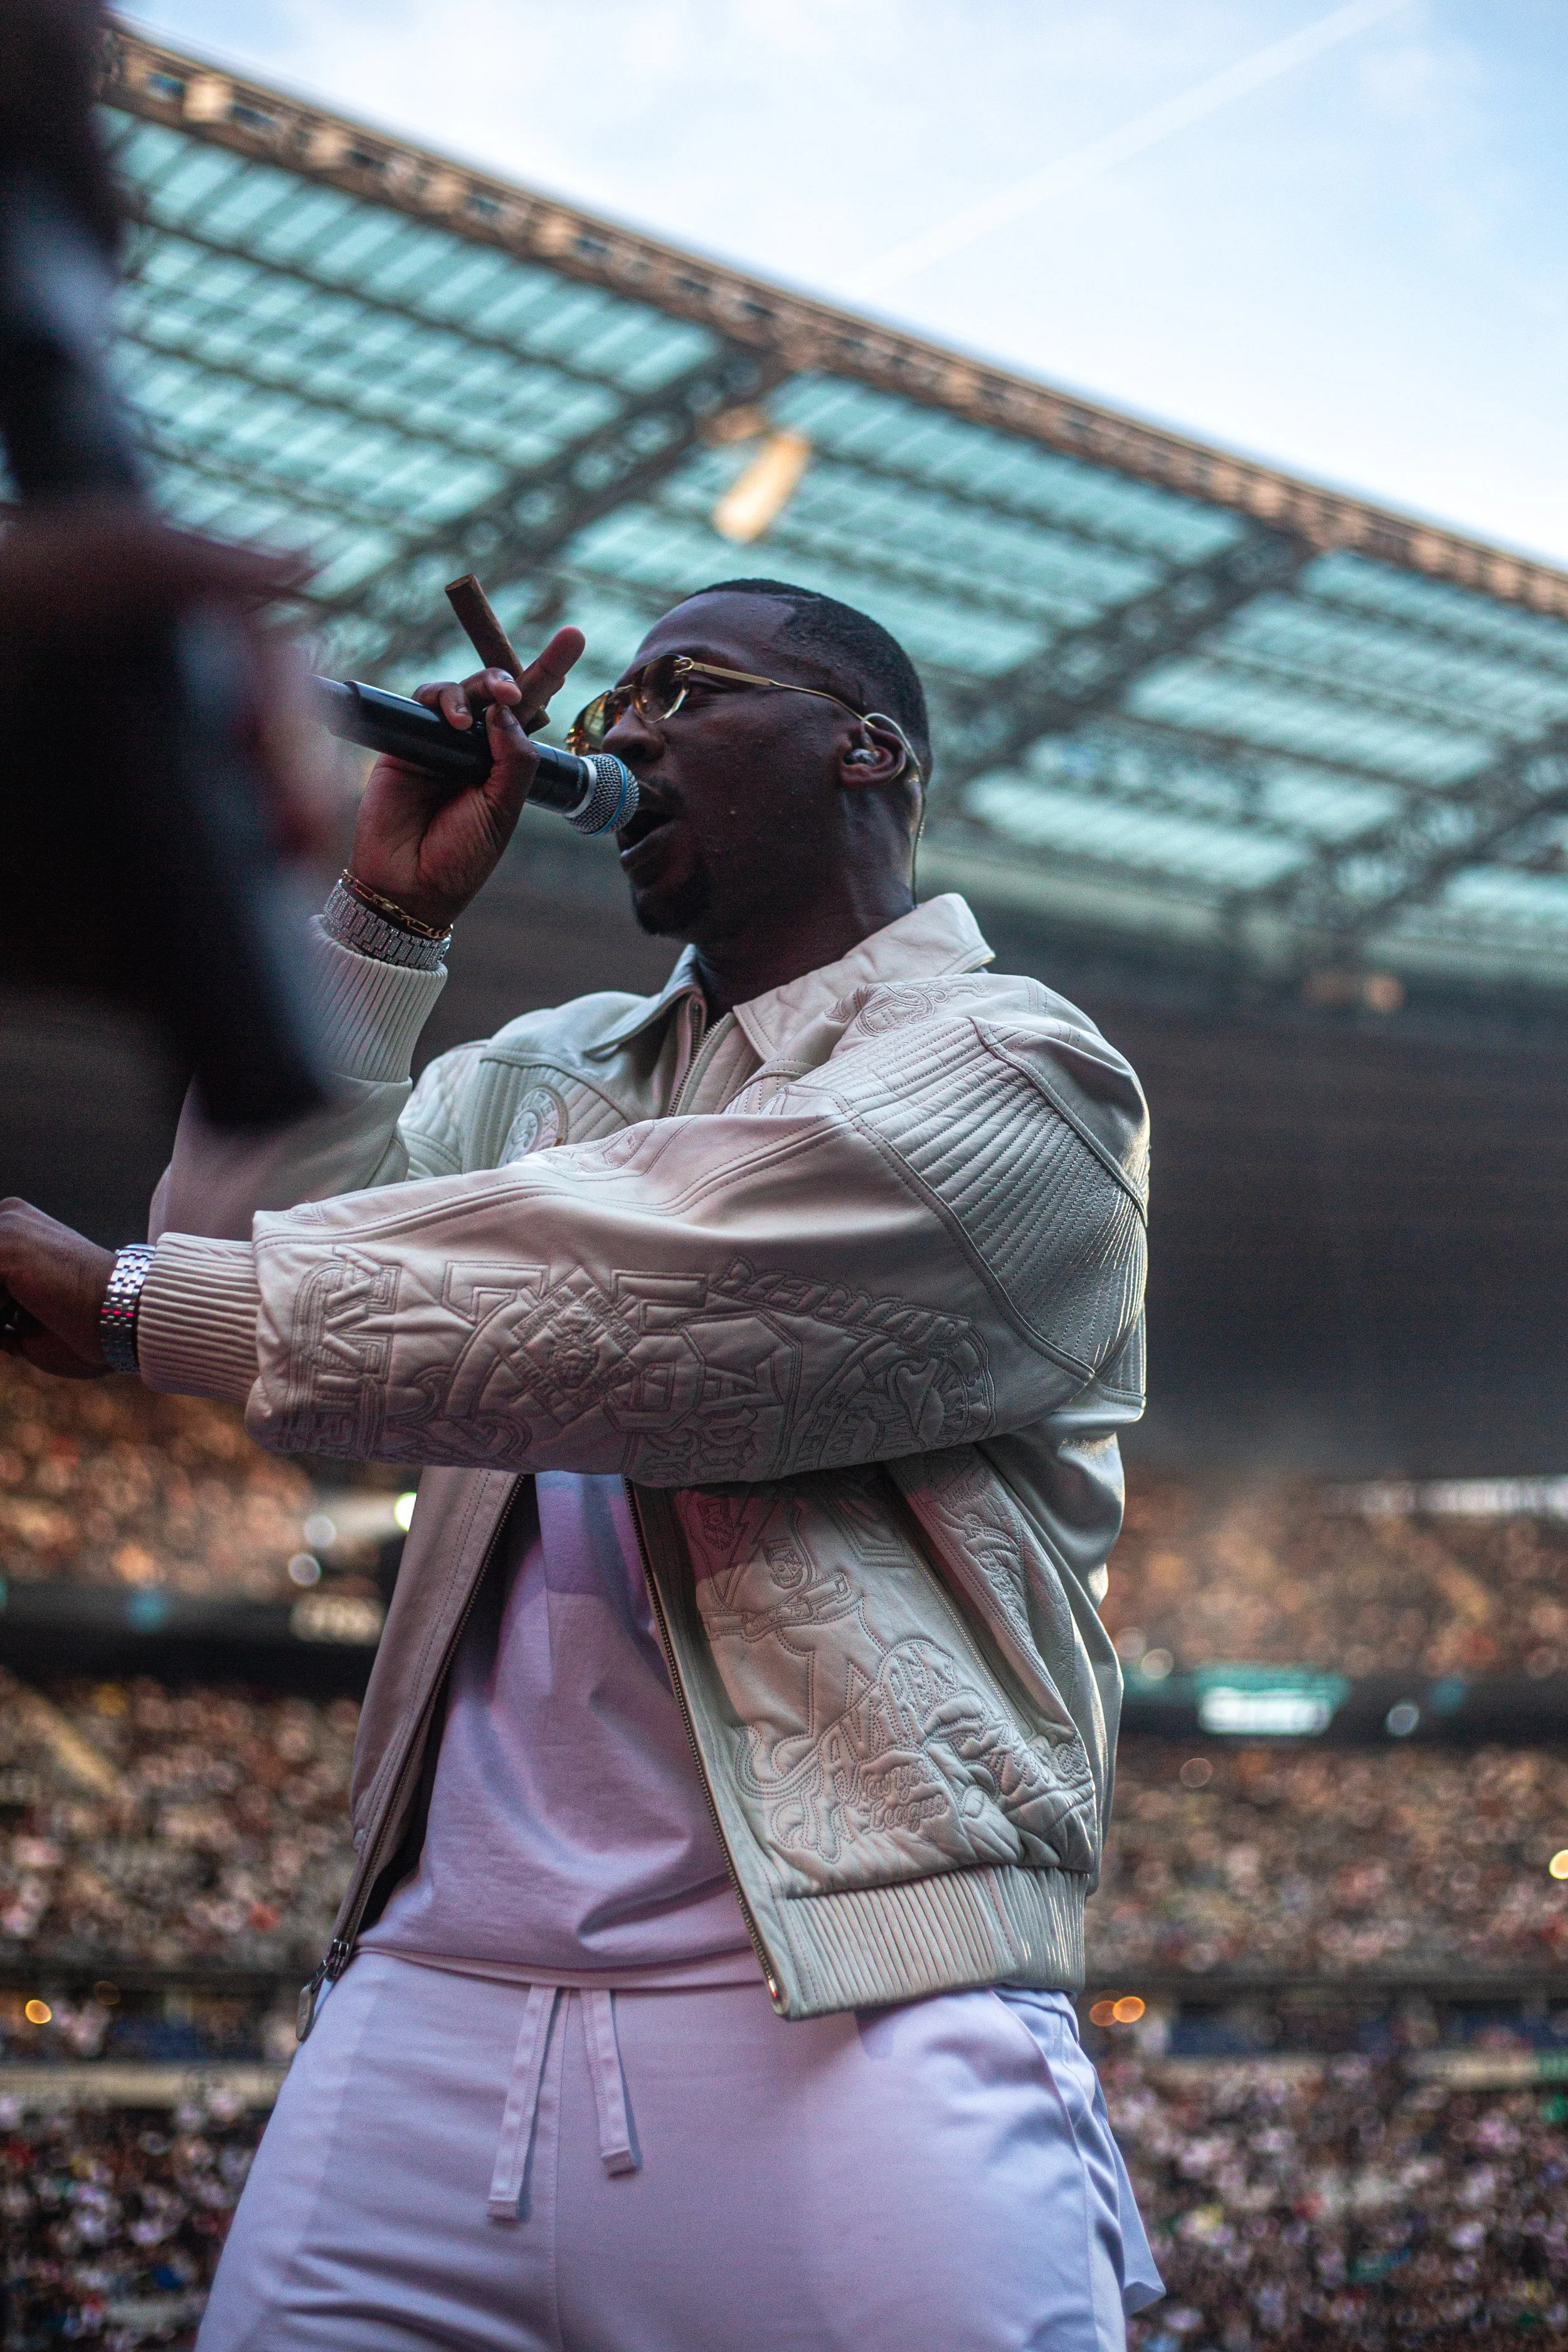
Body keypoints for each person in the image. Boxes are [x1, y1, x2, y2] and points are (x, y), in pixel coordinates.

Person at [0, 577, 1162, 2349]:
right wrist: (381, 923)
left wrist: (121, 1305)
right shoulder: (547, 1072)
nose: (612, 734)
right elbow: (246, 1238)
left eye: (680, 692)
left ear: (868, 752)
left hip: (849, 2011)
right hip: (428, 1996)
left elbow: (649, 1298)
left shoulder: (1023, 1073)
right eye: (608, 702)